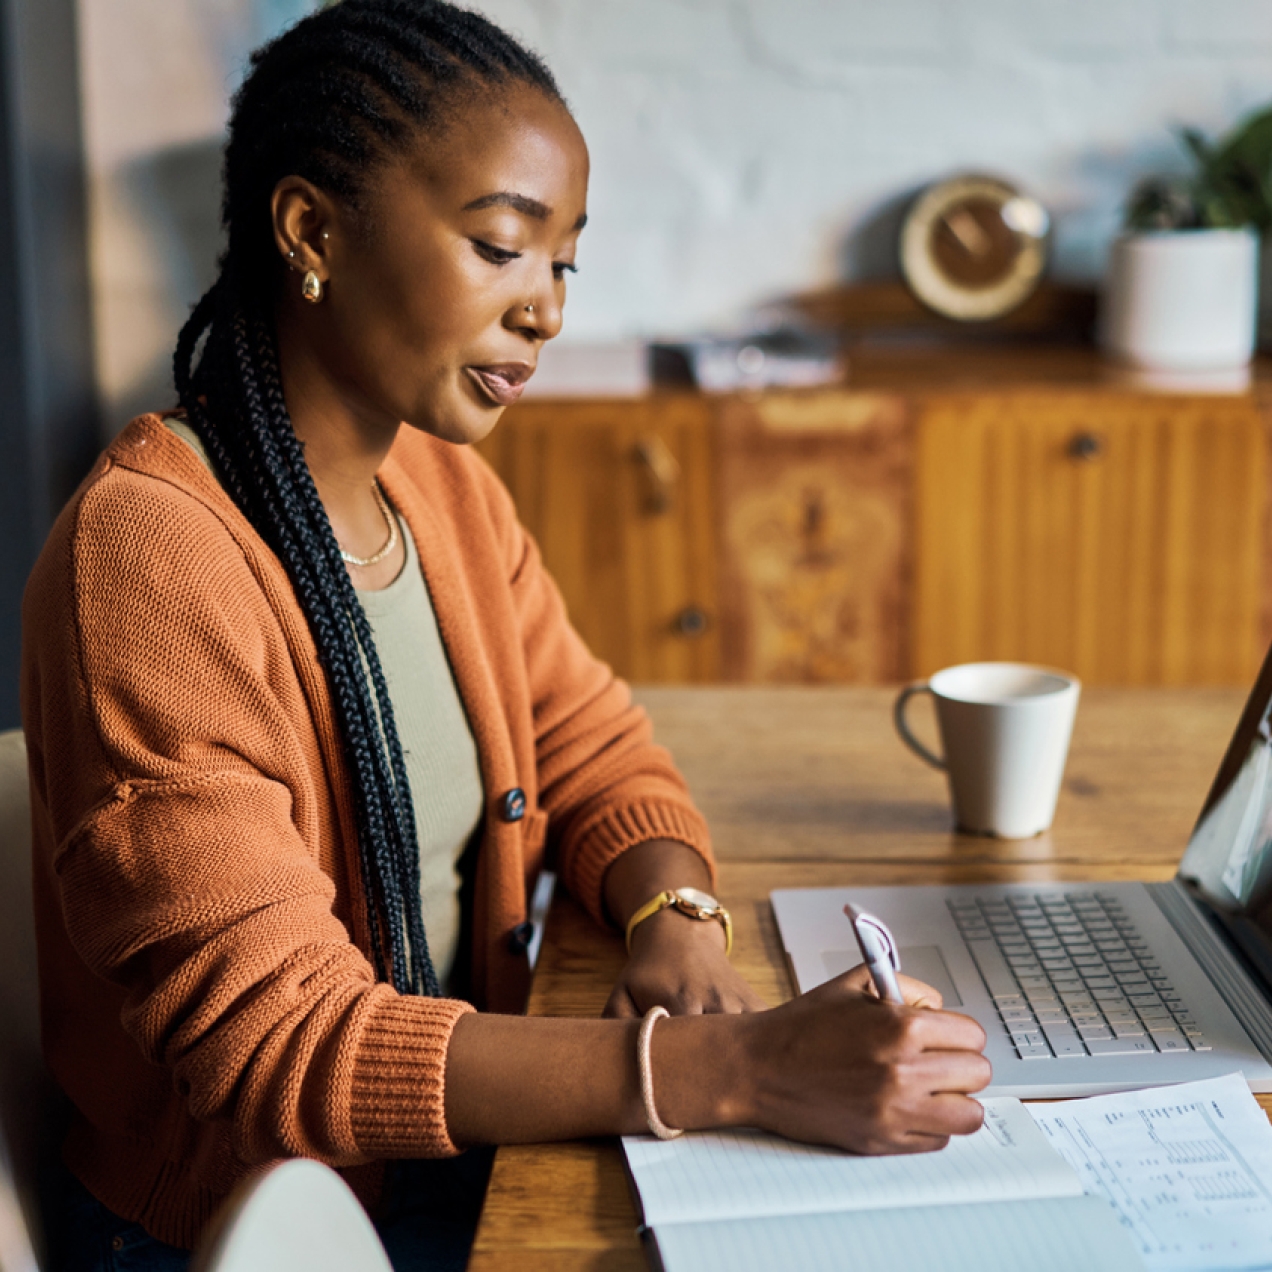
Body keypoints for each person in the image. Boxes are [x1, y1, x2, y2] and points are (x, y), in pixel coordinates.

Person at [21, 2, 991, 1267]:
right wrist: (728, 1068)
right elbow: (280, 1045)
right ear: (311, 229)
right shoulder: (151, 557)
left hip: (446, 1155)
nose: (544, 309)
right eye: (500, 246)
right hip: (259, 1222)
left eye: (563, 263)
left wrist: (677, 922)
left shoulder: (443, 490)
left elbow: (595, 748)